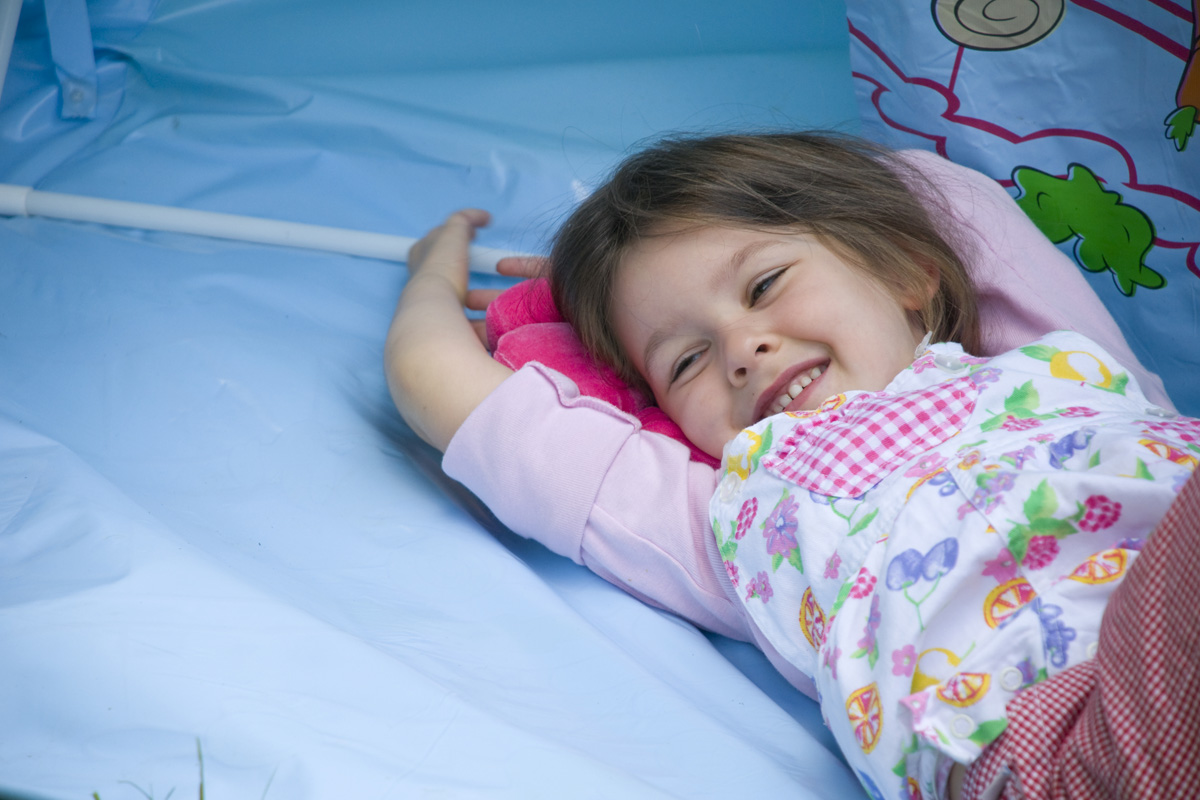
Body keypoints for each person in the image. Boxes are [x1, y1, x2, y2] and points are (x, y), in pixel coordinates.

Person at [385, 132, 1199, 799]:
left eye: (765, 284)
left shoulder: (1057, 362)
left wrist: (623, 262)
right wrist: (433, 273)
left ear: (905, 270)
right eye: (685, 360)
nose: (742, 349)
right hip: (1066, 743)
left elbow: (949, 197)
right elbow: (436, 381)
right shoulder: (733, 516)